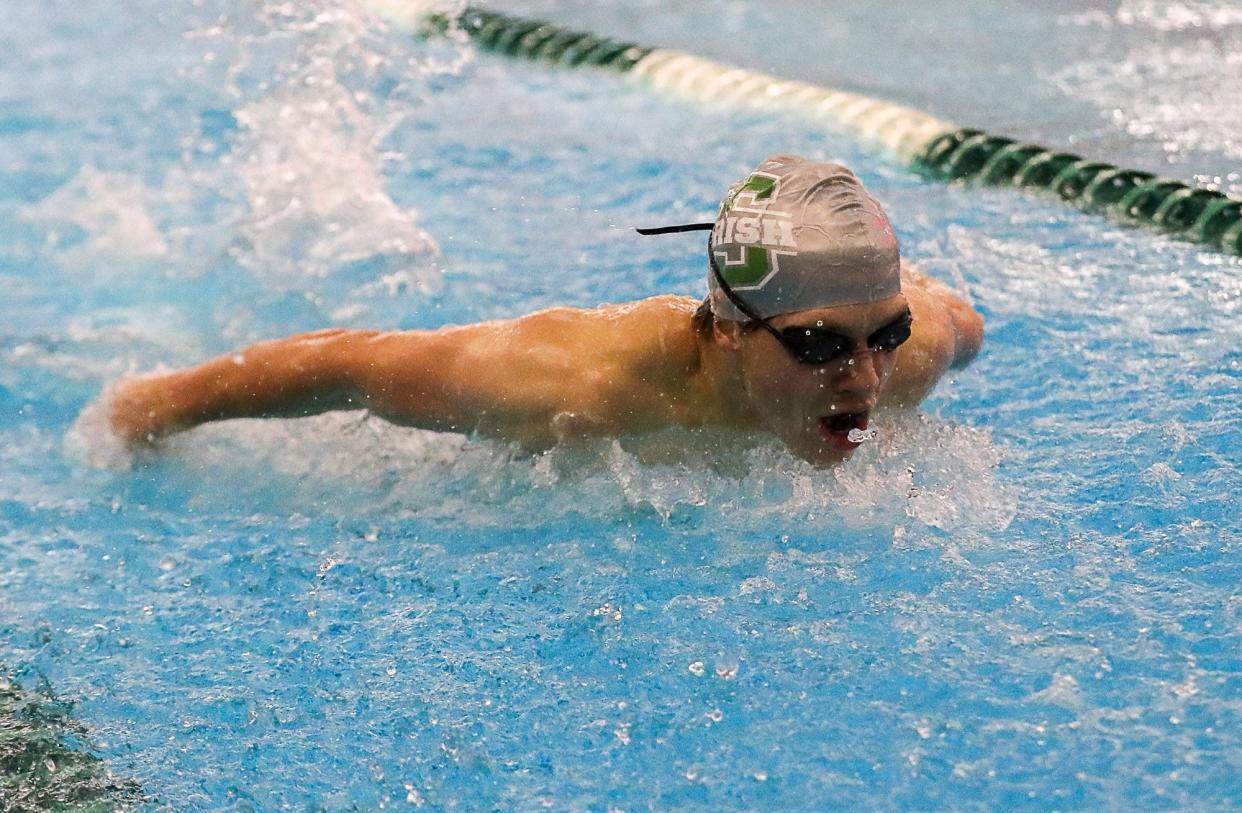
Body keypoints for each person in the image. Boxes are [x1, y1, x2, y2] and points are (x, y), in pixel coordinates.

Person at [108, 154, 983, 466]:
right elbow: (347, 362)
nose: (864, 374)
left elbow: (958, 317)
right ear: (725, 324)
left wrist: (911, 314)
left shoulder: (918, 351)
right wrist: (156, 406)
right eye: (822, 343)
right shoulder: (572, 382)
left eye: (885, 333)